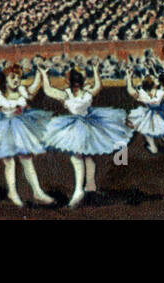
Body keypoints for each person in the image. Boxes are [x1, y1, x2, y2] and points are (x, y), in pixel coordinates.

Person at [38, 62, 132, 207]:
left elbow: (48, 90)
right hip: (87, 124)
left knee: (77, 157)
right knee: (87, 156)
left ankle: (79, 190)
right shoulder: (87, 93)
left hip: (79, 126)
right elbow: (98, 86)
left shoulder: (66, 94)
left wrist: (44, 74)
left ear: (68, 82)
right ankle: (90, 186)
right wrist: (96, 70)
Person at [0, 56, 55, 206]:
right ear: (5, 79)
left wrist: (39, 73)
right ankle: (13, 192)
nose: (16, 80)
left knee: (27, 160)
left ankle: (37, 191)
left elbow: (35, 87)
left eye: (18, 77)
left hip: (21, 128)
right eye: (12, 77)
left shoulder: (23, 90)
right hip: (3, 129)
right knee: (9, 162)